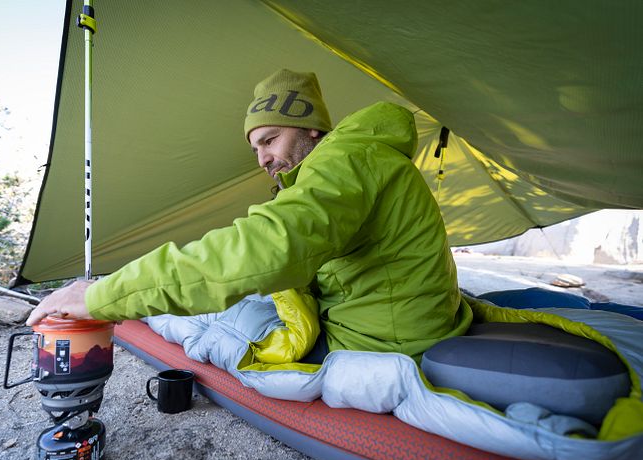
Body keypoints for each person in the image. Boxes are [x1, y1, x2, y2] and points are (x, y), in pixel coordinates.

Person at [27, 69, 472, 360]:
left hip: (387, 343)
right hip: (400, 320)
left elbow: (267, 248)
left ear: (311, 127)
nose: (262, 158)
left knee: (206, 312)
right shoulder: (356, 161)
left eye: (271, 139)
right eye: (256, 146)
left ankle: (122, 305)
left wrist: (101, 295)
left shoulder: (346, 163)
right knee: (229, 295)